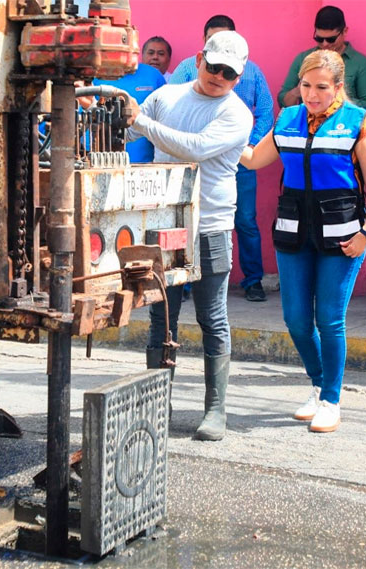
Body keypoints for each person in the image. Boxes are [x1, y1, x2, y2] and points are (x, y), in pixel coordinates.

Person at [240, 50, 366, 433]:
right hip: (293, 232)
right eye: (306, 86)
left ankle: (331, 400)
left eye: (321, 87)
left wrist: (365, 232)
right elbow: (254, 159)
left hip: (342, 235)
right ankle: (319, 384)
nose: (312, 95)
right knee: (297, 320)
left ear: (338, 87)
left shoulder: (357, 121)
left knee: (329, 319)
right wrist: (220, 137)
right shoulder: (288, 118)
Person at [127, 31, 253, 441]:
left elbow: (193, 148)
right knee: (162, 316)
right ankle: (155, 404)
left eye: (229, 73)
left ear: (240, 75)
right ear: (199, 58)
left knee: (212, 317)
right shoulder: (167, 97)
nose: (219, 77)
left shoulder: (237, 114)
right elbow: (129, 132)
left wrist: (141, 122)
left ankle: (216, 409)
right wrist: (110, 110)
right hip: (166, 225)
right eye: (214, 66)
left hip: (211, 225)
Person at [170, 15, 274, 302]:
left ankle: (253, 281)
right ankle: (186, 282)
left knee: (246, 221)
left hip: (239, 160)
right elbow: (167, 101)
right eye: (213, 40)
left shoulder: (251, 72)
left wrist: (248, 145)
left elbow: (265, 110)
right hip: (194, 162)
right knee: (187, 220)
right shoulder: (185, 69)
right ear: (203, 44)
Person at [277, 5, 366, 116]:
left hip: (344, 127)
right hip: (308, 127)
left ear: (345, 31)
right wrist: (300, 90)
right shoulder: (303, 59)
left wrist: (333, 97)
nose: (325, 44)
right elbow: (284, 103)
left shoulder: (361, 64)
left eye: (331, 39)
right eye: (319, 38)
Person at [96, 59, 165, 163]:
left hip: (147, 164)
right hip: (103, 161)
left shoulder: (153, 75)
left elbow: (163, 121)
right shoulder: (95, 75)